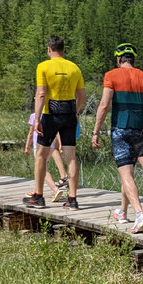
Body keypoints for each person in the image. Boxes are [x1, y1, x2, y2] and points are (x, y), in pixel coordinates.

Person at [92, 43, 143, 234]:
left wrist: (96, 130)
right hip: (140, 129)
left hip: (120, 129)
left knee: (126, 174)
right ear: (133, 59)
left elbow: (104, 105)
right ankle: (122, 212)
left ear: (118, 59)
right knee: (128, 173)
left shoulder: (111, 75)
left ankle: (139, 214)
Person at [23, 36, 86, 209]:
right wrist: (77, 111)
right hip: (69, 114)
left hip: (50, 114)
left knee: (41, 156)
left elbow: (41, 94)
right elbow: (82, 95)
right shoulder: (74, 67)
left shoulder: (43, 66)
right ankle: (72, 199)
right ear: (63, 50)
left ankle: (38, 196)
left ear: (49, 49)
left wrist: (37, 119)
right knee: (71, 157)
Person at [25, 111, 69, 201]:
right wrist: (60, 144)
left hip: (38, 146)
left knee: (41, 168)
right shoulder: (51, 115)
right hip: (51, 146)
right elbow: (57, 132)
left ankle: (55, 189)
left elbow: (31, 133)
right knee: (41, 167)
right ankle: (36, 190)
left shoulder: (34, 116)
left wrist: (26, 147)